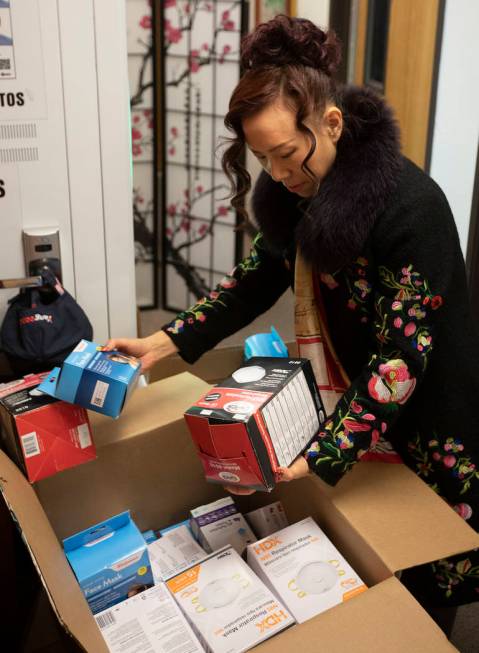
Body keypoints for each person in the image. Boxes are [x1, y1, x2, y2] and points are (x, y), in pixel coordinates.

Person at [107, 15, 479, 636]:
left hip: (426, 408)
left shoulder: (413, 210)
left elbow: (401, 361)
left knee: (422, 564)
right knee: (360, 555)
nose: (277, 175)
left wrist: (328, 449)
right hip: (356, 396)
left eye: (285, 153)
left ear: (331, 123)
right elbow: (252, 281)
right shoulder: (300, 196)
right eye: (261, 158)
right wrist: (163, 341)